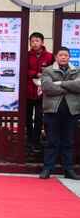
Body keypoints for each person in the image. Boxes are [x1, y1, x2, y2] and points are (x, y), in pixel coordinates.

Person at [39, 47, 80, 180]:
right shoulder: (48, 70)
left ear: (69, 58)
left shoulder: (76, 70)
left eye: (66, 55)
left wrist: (61, 83)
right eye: (61, 55)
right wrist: (69, 88)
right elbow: (47, 88)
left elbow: (79, 86)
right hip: (52, 111)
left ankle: (69, 170)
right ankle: (47, 169)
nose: (63, 57)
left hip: (71, 111)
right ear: (56, 57)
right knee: (52, 141)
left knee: (68, 141)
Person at [27, 32, 54, 152]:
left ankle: (36, 142)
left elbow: (53, 71)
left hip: (42, 92)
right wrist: (34, 74)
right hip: (27, 91)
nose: (34, 43)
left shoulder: (49, 56)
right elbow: (23, 69)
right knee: (27, 118)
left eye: (37, 41)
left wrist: (44, 75)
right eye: (32, 41)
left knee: (39, 118)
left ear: (42, 42)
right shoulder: (26, 55)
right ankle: (29, 140)